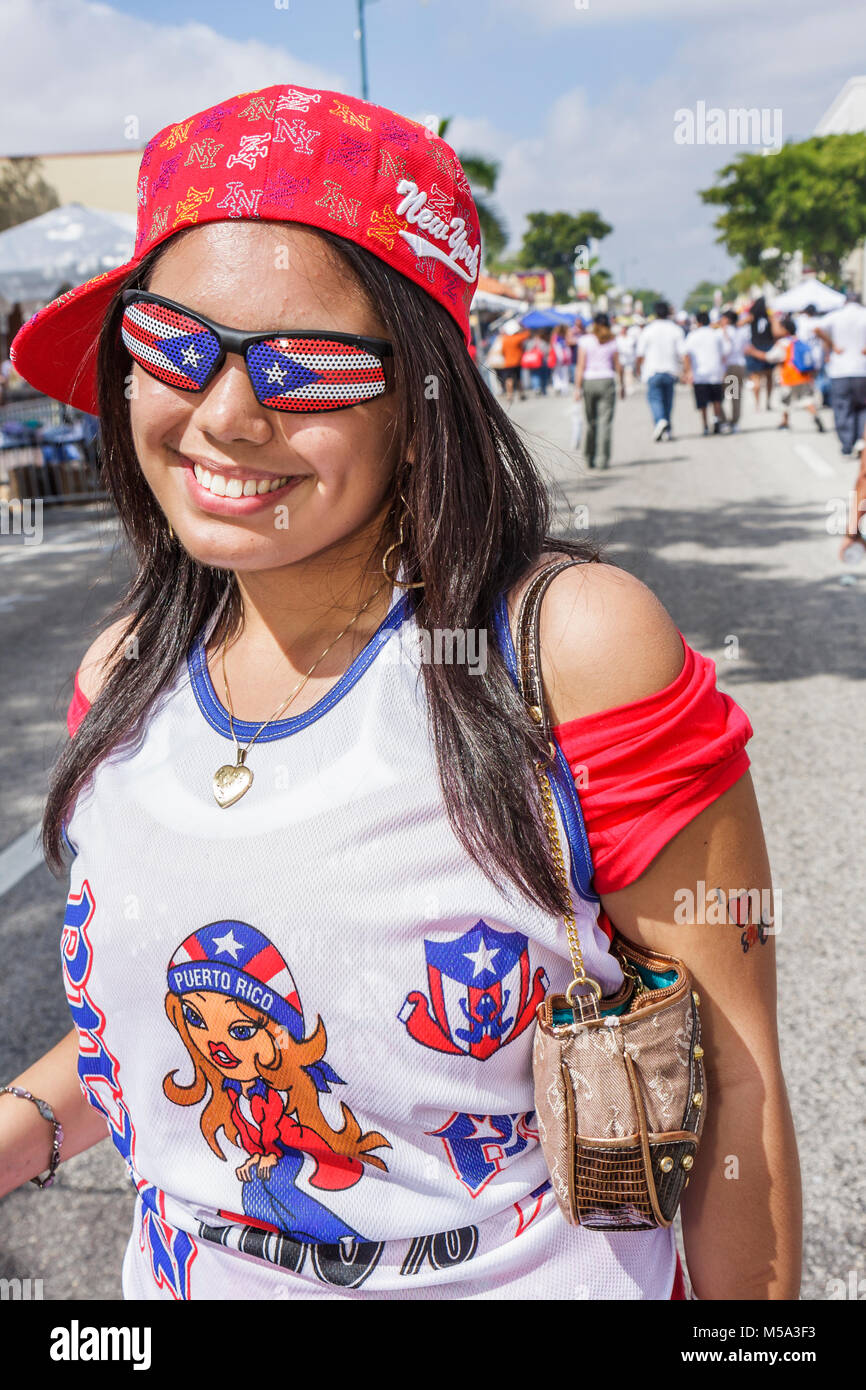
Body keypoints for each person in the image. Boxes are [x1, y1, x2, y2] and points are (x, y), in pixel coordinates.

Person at [3, 83, 801, 1303]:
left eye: (307, 367)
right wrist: (25, 1124)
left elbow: (734, 1073)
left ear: (422, 407)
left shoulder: (573, 648)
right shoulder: (122, 670)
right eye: (172, 344)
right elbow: (169, 1030)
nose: (225, 414)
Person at [812, 291, 866, 456]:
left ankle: (846, 444)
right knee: (862, 407)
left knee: (842, 407)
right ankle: (860, 441)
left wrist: (832, 344)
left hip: (840, 370)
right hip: (862, 368)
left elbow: (817, 328)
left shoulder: (836, 315)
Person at [749, 315, 823, 433]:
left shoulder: (783, 343)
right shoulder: (798, 340)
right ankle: (815, 415)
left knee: (785, 401)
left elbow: (770, 357)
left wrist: (752, 352)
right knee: (806, 399)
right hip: (803, 376)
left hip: (788, 376)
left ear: (785, 329)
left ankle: (784, 421)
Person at [574, 312, 624, 469]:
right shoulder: (612, 341)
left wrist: (577, 388)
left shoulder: (585, 341)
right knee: (605, 422)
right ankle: (602, 459)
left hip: (589, 381)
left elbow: (580, 366)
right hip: (607, 381)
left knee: (590, 422)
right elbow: (618, 366)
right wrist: (621, 384)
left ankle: (589, 457)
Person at [635, 300, 686, 442]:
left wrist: (637, 369)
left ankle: (660, 421)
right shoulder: (675, 329)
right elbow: (683, 353)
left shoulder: (648, 330)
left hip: (652, 371)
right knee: (668, 402)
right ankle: (667, 429)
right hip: (671, 371)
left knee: (655, 399)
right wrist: (686, 371)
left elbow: (640, 354)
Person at [682, 310, 727, 435]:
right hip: (715, 372)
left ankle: (705, 425)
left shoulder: (693, 335)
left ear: (698, 322)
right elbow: (723, 354)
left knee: (702, 403)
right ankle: (716, 419)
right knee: (717, 400)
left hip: (700, 374)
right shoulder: (716, 335)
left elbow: (686, 355)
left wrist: (687, 372)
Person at [743, 296, 781, 411]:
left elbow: (739, 324)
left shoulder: (751, 317)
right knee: (769, 378)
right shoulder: (770, 317)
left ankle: (757, 404)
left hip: (755, 348)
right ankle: (768, 402)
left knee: (756, 378)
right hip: (768, 348)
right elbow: (776, 333)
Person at [719, 309, 749, 431]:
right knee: (735, 395)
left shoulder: (724, 332)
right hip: (739, 365)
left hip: (727, 367)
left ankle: (723, 420)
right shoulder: (741, 332)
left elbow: (724, 351)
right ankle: (735, 422)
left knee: (719, 395)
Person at [499, 320, 529, 405]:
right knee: (518, 379)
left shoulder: (505, 339)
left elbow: (502, 351)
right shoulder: (517, 338)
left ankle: (509, 395)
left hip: (508, 362)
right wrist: (522, 326)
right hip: (517, 362)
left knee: (509, 379)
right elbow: (527, 334)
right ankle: (521, 393)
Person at [548, 326, 572, 396]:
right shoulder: (560, 337)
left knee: (558, 373)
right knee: (563, 373)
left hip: (560, 357)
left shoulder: (557, 337)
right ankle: (562, 387)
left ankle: (559, 387)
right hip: (561, 357)